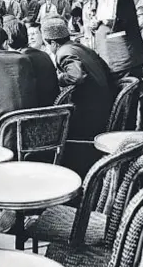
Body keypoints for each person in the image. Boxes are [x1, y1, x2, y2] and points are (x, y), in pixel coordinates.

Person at [42, 18, 114, 176]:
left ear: (53, 43)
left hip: (89, 115)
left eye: (48, 45)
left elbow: (77, 75)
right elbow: (106, 69)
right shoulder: (81, 47)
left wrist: (57, 78)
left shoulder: (64, 52)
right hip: (104, 104)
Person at [4, 20, 59, 107]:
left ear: (6, 41)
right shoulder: (44, 55)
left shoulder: (18, 60)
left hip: (32, 113)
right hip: (53, 109)